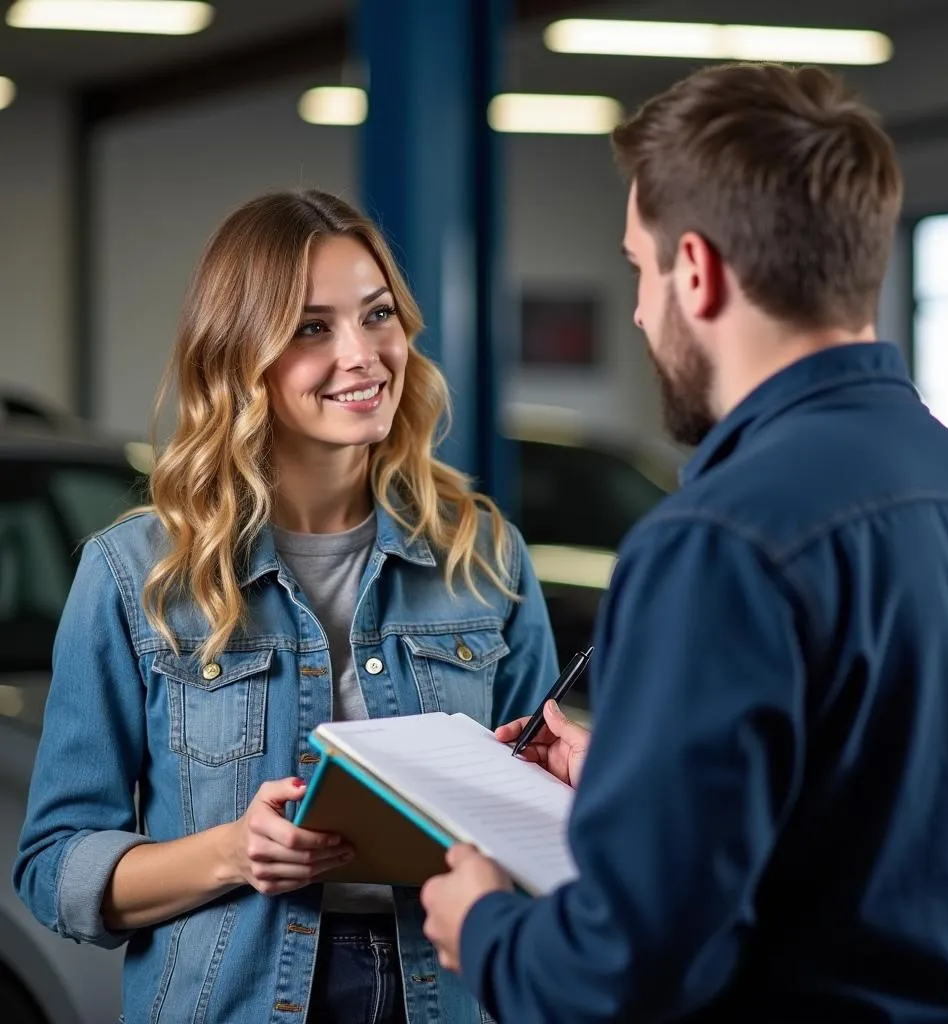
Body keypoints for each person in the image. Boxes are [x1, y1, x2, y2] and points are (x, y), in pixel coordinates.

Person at [419, 61, 948, 1023]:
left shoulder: (717, 542)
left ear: (694, 271)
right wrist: (627, 789)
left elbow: (631, 967)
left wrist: (485, 926)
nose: (636, 310)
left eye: (637, 270)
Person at [13, 189, 557, 1024]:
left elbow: (544, 840)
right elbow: (55, 870)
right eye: (312, 328)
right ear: (241, 356)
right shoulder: (134, 576)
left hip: (452, 994)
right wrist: (233, 853)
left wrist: (539, 796)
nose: (363, 355)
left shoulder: (484, 558)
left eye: (378, 315)